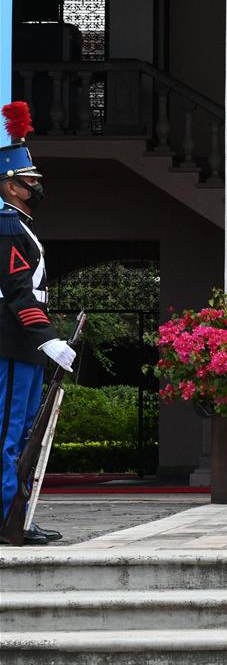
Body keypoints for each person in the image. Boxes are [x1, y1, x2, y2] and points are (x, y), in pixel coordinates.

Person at [0, 102, 76, 544]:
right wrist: (45, 338)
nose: (35, 187)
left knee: (25, 431)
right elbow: (16, 291)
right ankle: (6, 518)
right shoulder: (7, 227)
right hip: (12, 339)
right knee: (9, 432)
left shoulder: (20, 224)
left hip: (23, 339)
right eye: (29, 181)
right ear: (10, 186)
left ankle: (18, 517)